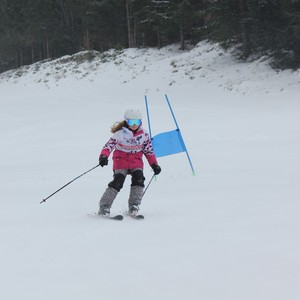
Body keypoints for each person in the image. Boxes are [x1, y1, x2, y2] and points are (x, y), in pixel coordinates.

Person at [98, 108, 161, 216]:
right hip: (121, 160)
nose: (134, 125)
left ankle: (134, 205)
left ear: (140, 122)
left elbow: (149, 151)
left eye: (137, 122)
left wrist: (154, 164)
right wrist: (103, 156)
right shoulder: (120, 133)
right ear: (127, 121)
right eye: (131, 122)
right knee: (118, 181)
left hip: (136, 161)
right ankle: (104, 206)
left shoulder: (144, 135)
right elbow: (109, 145)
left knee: (139, 178)